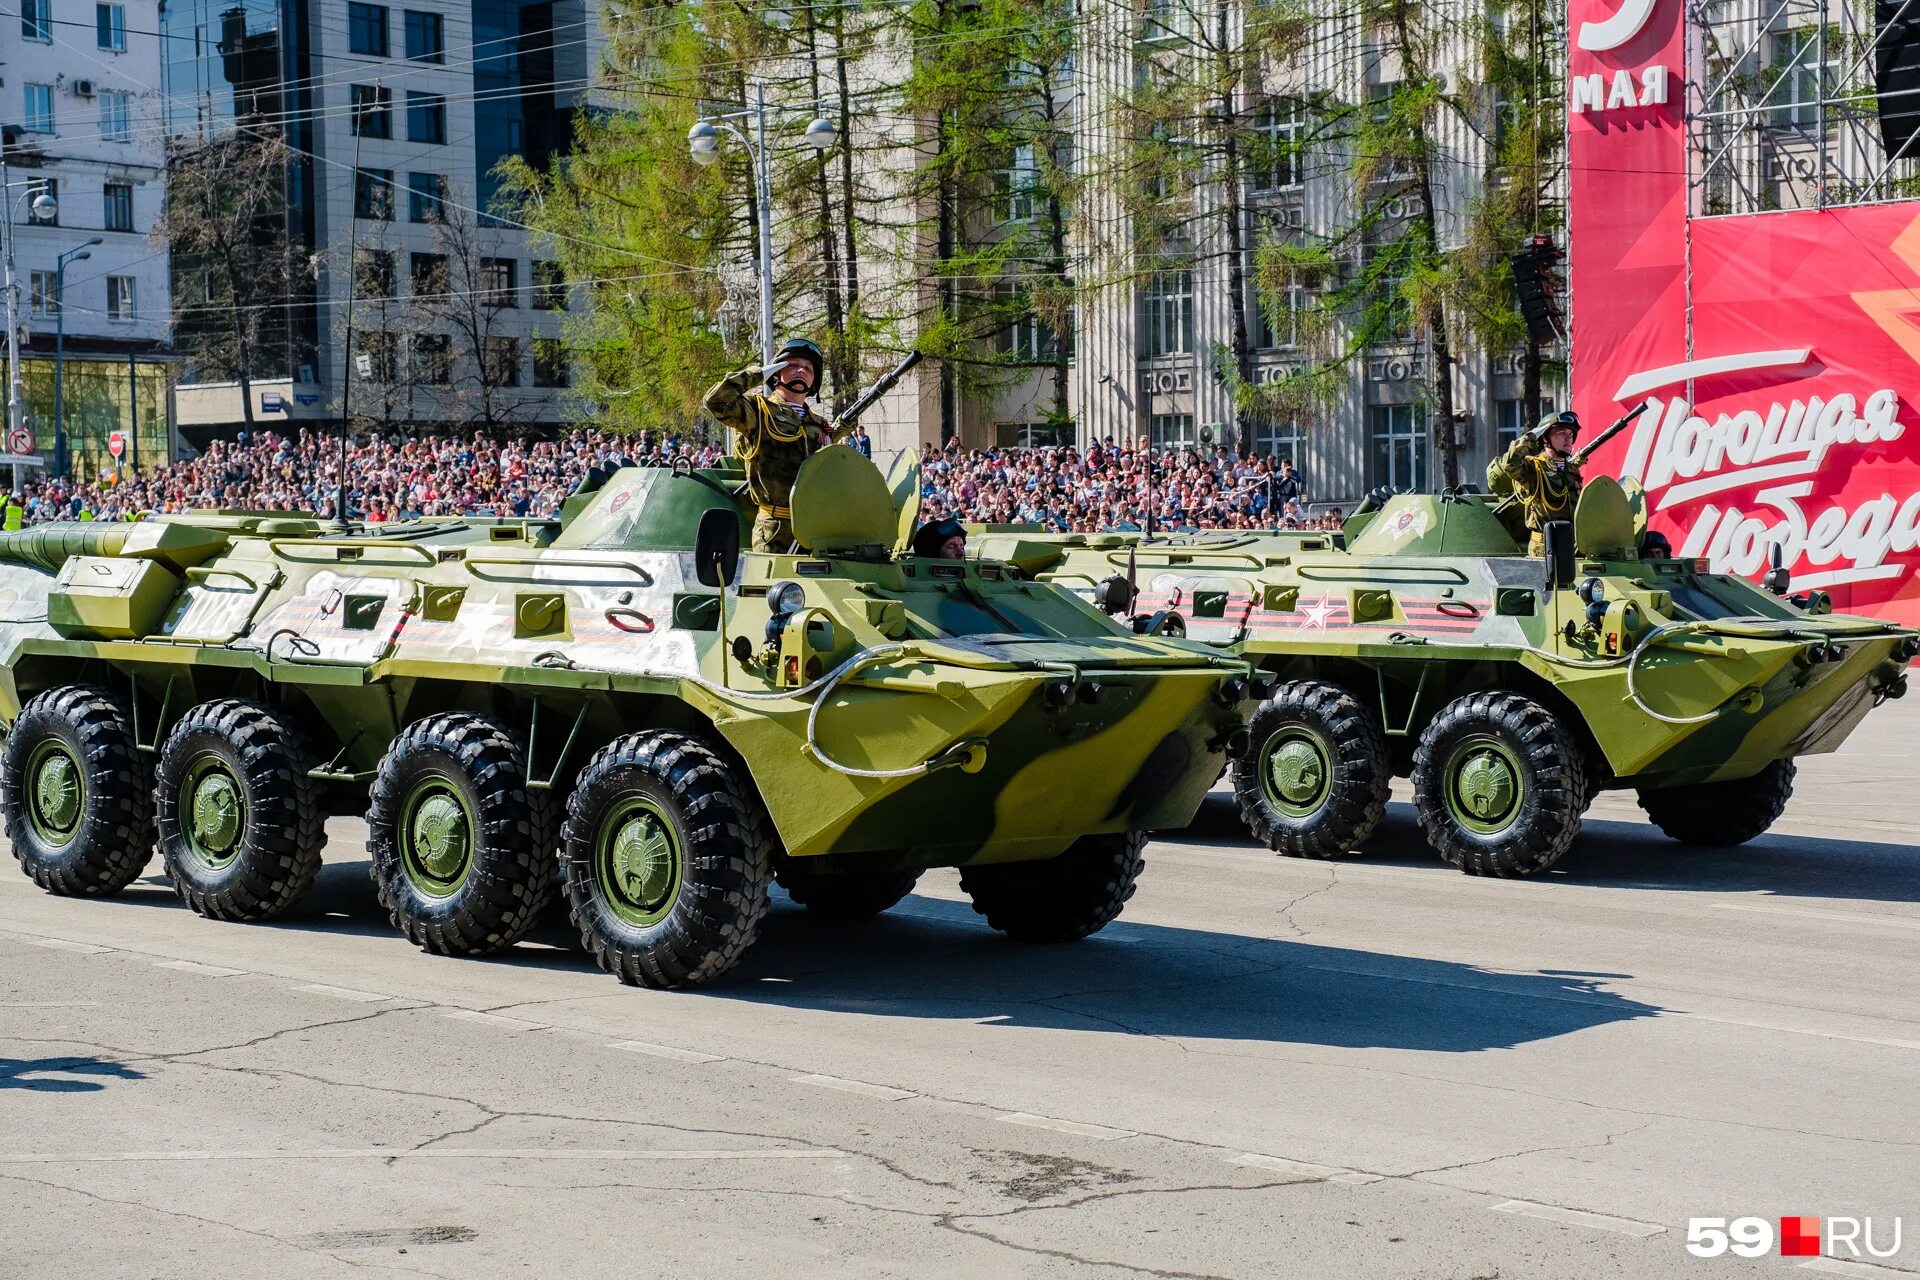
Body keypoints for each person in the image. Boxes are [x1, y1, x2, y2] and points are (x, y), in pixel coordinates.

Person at [702, 337, 848, 552]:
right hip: (774, 530)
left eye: (808, 368)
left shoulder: (819, 424)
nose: (801, 371)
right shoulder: (758, 411)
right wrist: (758, 374)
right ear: (777, 373)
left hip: (816, 528)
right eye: (793, 365)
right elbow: (715, 401)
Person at [1490, 409, 1584, 555]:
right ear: (1545, 438)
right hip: (1544, 548)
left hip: (1572, 545)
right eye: (1561, 434)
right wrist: (1532, 436)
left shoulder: (1571, 470)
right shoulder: (1533, 468)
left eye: (1571, 434)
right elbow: (1509, 464)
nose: (1568, 439)